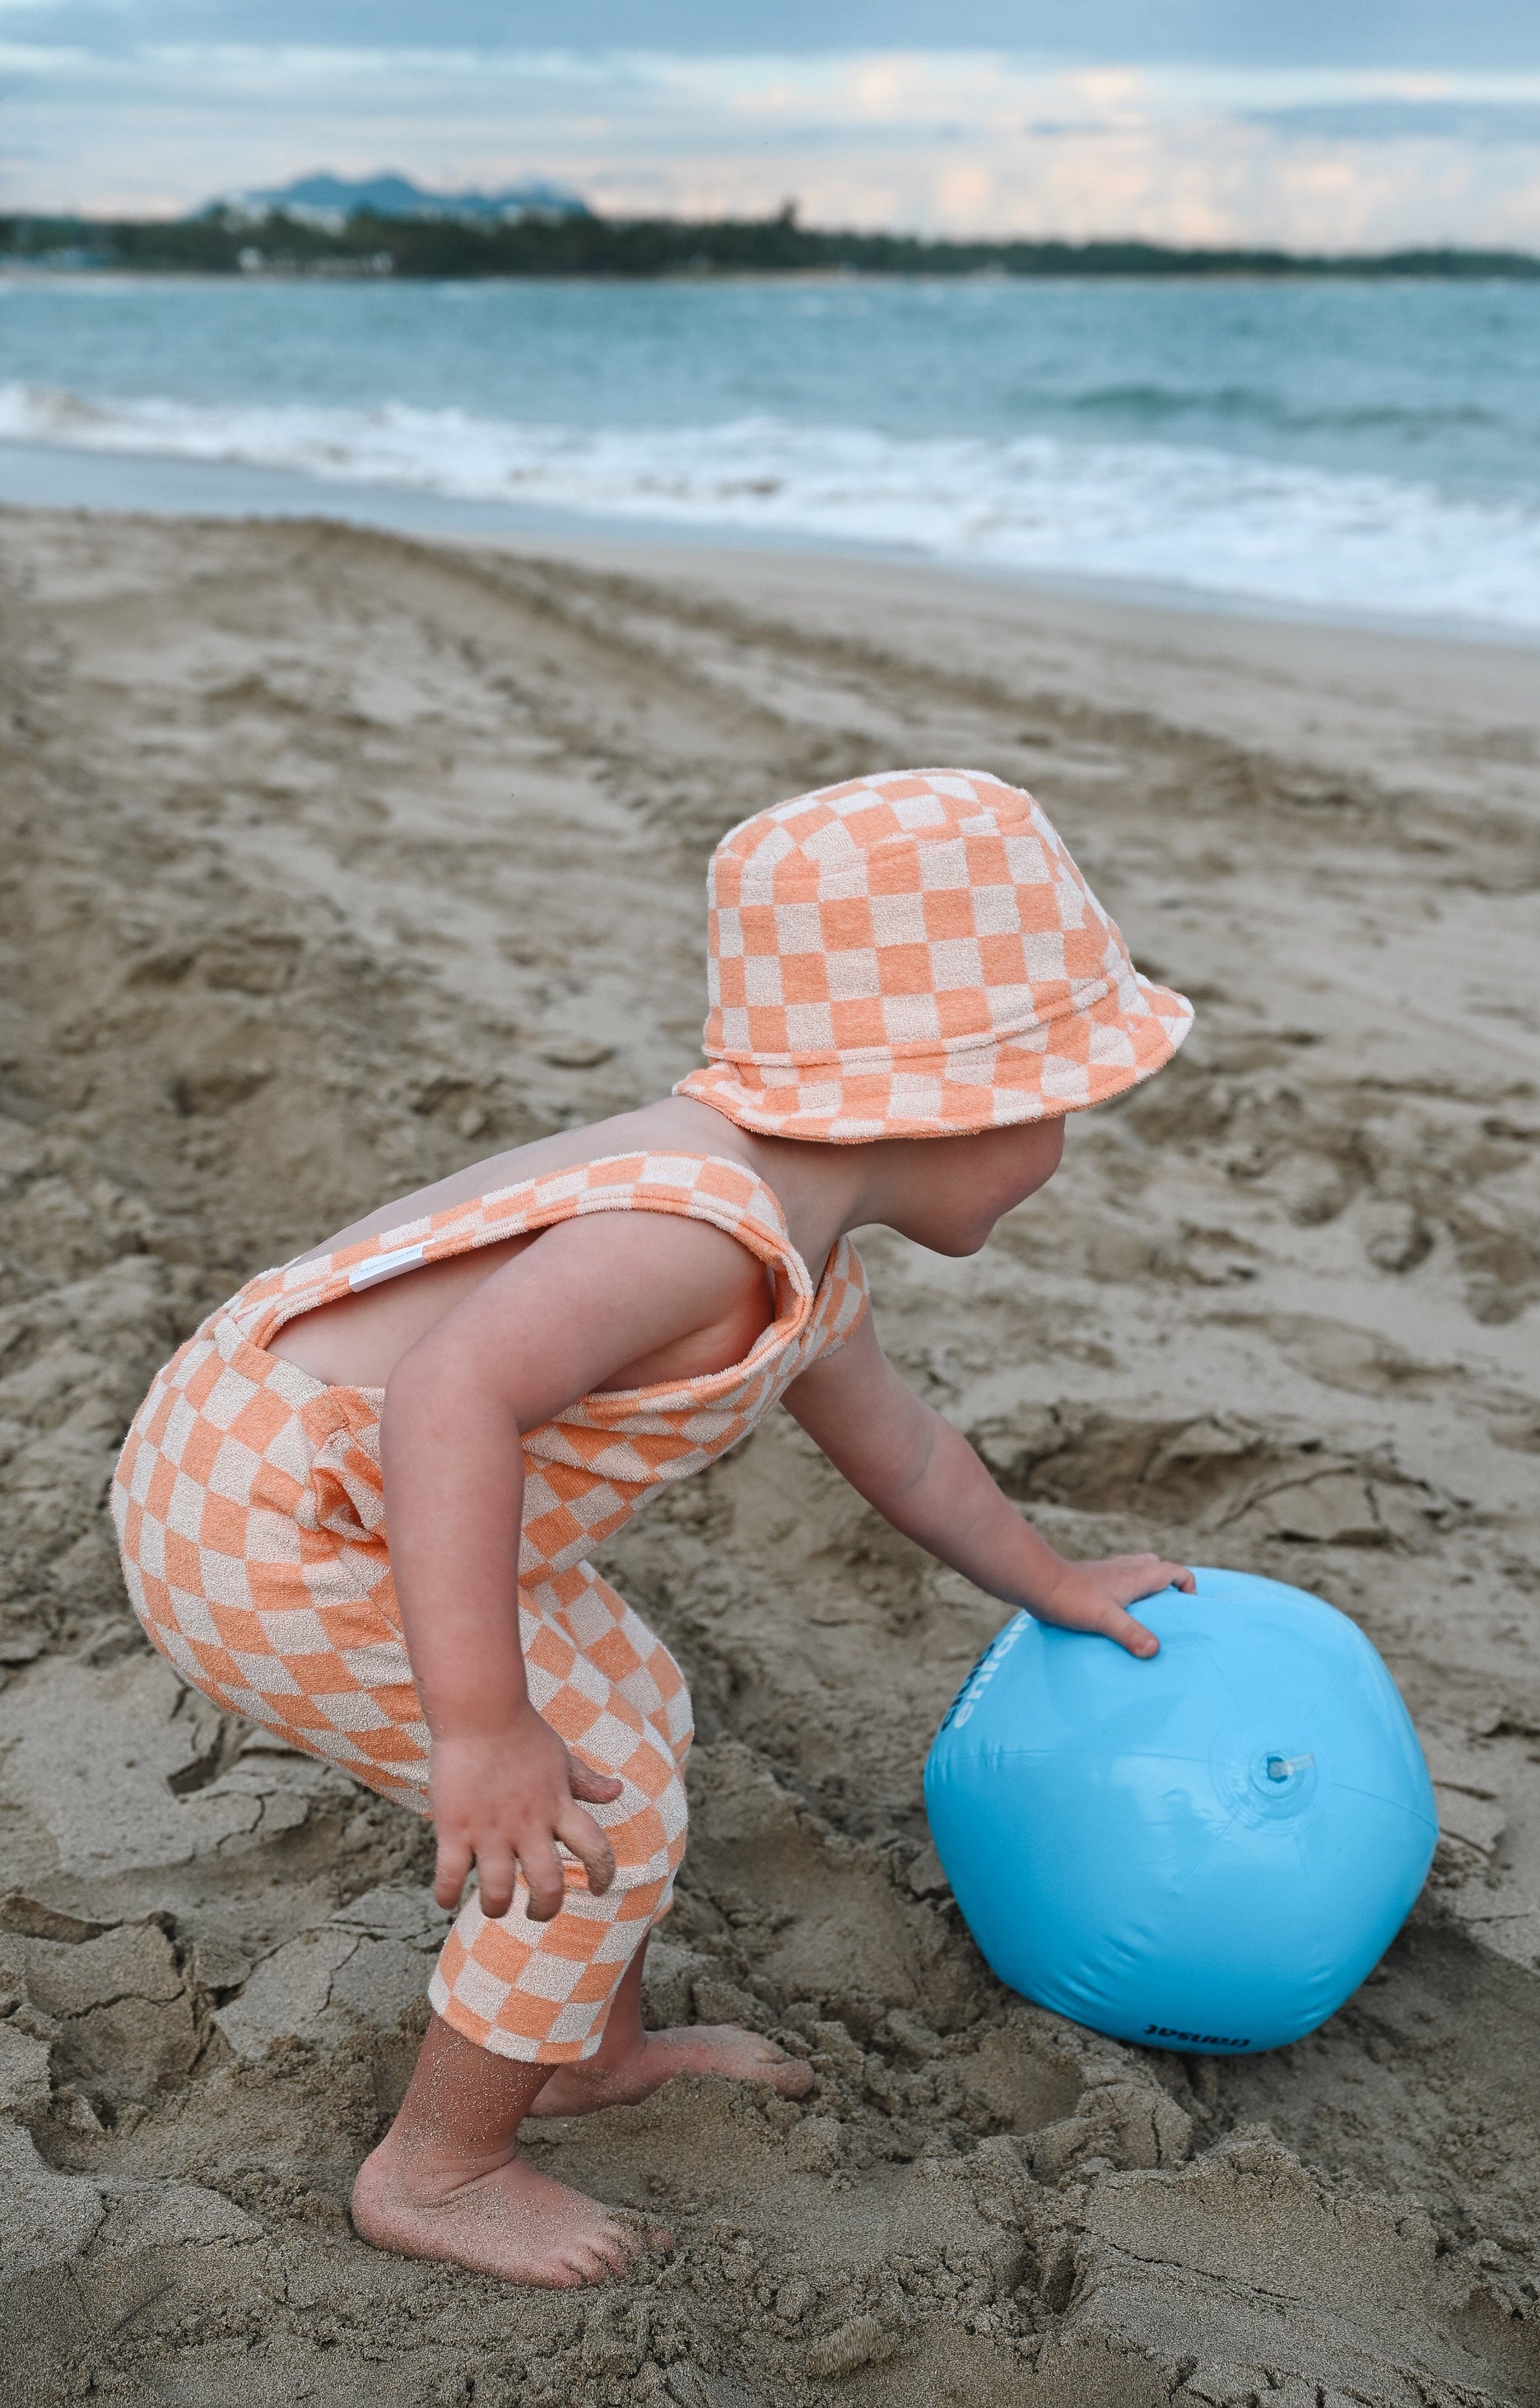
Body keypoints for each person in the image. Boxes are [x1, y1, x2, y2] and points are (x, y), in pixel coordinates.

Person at [112, 766, 1196, 2288]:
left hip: (361, 1497)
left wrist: (1051, 1578)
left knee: (636, 1718)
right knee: (593, 1818)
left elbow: (907, 1452)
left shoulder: (802, 1251)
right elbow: (445, 1397)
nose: (1063, 1148)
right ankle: (438, 2166)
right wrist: (481, 1726)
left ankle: (577, 2050)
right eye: (1060, 1106)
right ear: (950, 1096)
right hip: (273, 1521)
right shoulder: (695, 1233)